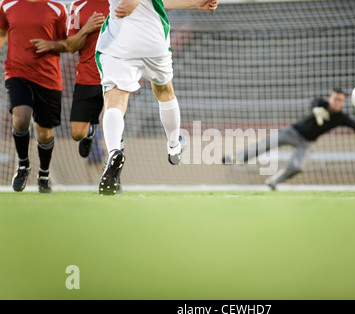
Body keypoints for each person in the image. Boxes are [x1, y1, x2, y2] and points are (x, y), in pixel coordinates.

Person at [95, 0, 219, 195]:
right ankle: (173, 145)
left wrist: (194, 4)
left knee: (115, 100)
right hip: (153, 38)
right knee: (164, 91)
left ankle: (114, 154)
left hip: (119, 39)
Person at [222, 88, 355, 190]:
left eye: (340, 100)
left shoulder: (341, 118)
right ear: (330, 98)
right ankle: (235, 158)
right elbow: (314, 103)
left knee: (298, 166)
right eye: (334, 98)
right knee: (265, 145)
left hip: (307, 142)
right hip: (293, 132)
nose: (336, 101)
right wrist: (316, 110)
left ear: (343, 102)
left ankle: (274, 181)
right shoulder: (321, 103)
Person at [0, 0, 68, 193]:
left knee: (45, 134)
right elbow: (2, 33)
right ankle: (23, 165)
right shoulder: (7, 5)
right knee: (20, 118)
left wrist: (51, 44)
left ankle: (43, 174)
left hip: (48, 79)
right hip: (17, 72)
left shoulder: (57, 8)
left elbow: (67, 43)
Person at [30, 1, 109, 159]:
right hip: (87, 76)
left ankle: (114, 176)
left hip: (114, 76)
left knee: (114, 124)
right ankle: (89, 133)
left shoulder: (120, 3)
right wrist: (86, 29)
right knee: (77, 133)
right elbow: (71, 46)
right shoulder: (77, 6)